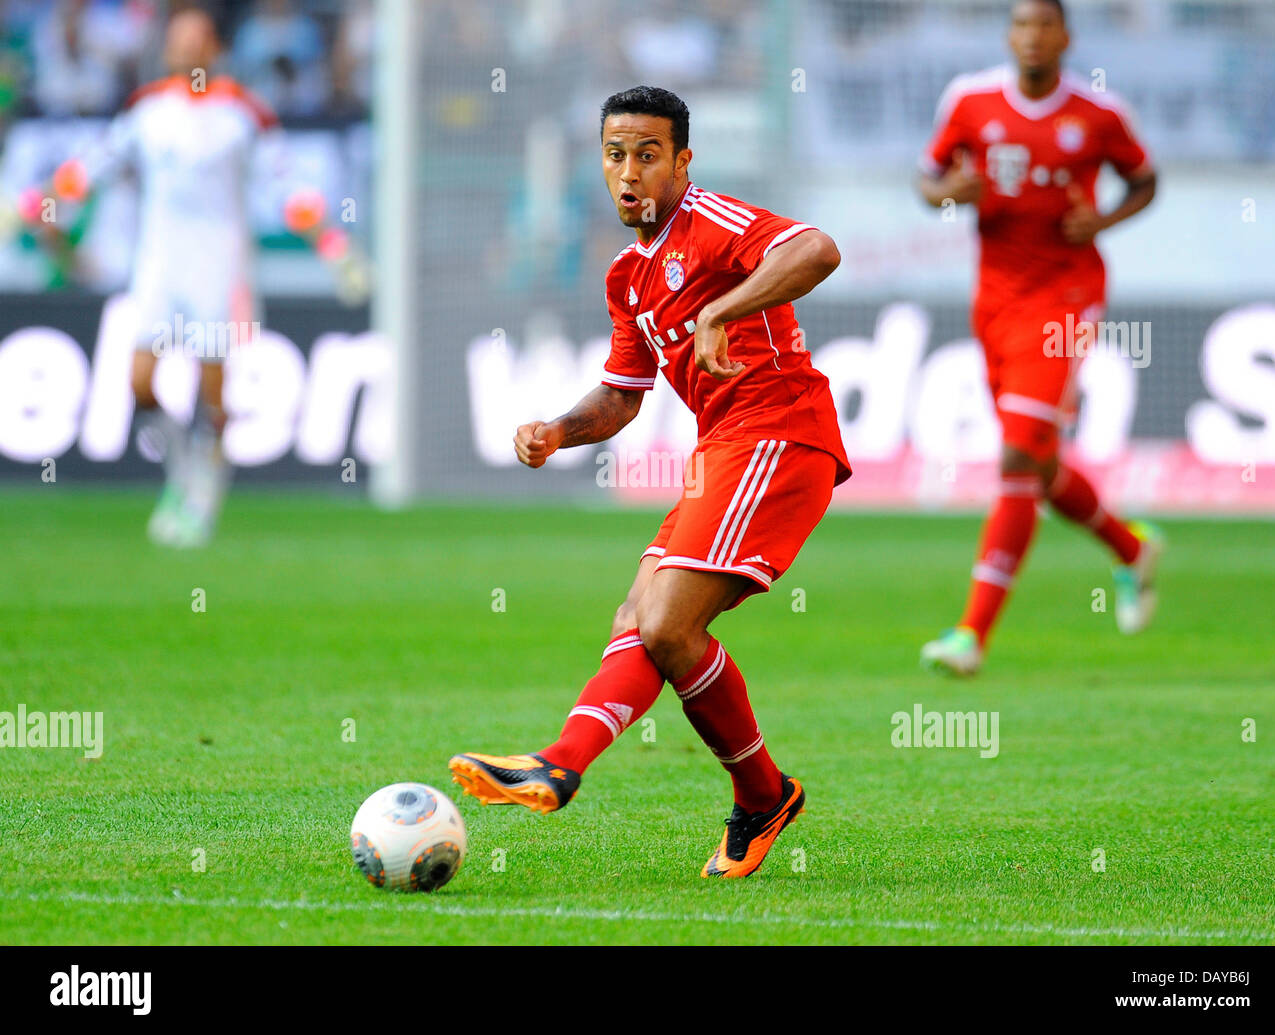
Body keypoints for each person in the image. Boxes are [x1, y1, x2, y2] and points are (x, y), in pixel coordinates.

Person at [450, 86, 851, 878]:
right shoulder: (628, 276)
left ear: (682, 161)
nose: (628, 172)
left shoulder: (713, 223)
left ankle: (588, 766)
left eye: (647, 154)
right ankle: (582, 767)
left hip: (780, 433)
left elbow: (817, 250)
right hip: (726, 449)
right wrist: (560, 428)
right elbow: (623, 396)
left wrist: (718, 312)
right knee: (643, 615)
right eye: (613, 155)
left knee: (667, 621)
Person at [916, 0, 1161, 675]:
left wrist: (1103, 222)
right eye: (1021, 26)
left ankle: (971, 634)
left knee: (1020, 450)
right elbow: (926, 180)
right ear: (1010, 36)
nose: (1031, 37)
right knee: (1039, 464)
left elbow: (1146, 180)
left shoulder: (1098, 112)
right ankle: (1132, 548)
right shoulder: (969, 100)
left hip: (1066, 295)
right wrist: (948, 192)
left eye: (1043, 26)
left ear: (1064, 37)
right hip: (994, 299)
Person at [53, 8, 277, 546]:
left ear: (214, 50)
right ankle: (181, 475)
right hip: (159, 262)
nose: (185, 51)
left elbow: (287, 184)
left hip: (221, 266)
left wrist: (333, 242)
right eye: (177, 41)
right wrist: (47, 202)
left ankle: (206, 491)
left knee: (214, 391)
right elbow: (95, 164)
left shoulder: (241, 114)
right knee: (138, 380)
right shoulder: (149, 109)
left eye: (195, 40)